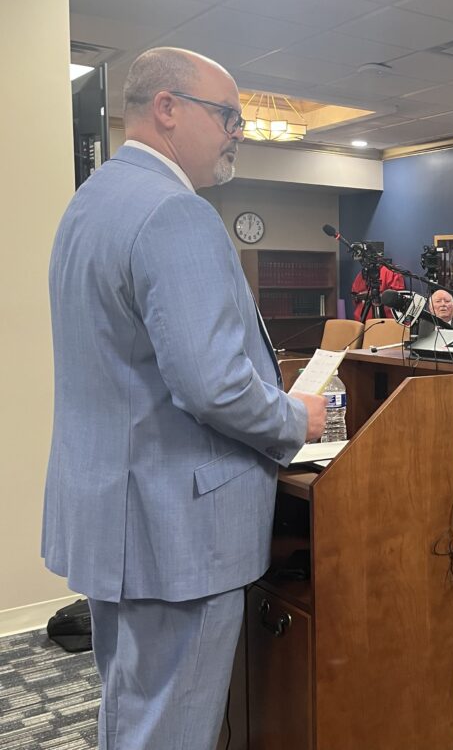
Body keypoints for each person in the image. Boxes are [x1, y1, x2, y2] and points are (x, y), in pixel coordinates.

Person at [43, 47, 327, 750]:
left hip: (114, 517)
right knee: (171, 727)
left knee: (132, 709)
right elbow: (215, 385)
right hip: (178, 531)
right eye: (227, 116)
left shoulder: (91, 202)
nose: (237, 132)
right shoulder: (177, 213)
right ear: (168, 109)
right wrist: (299, 417)